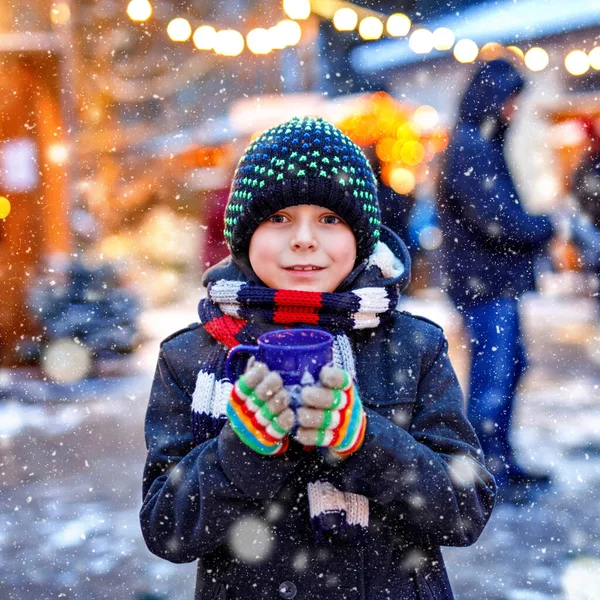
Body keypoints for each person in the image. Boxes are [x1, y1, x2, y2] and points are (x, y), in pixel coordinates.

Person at [140, 117, 495, 599]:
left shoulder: (412, 347)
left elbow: (466, 509)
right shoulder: (191, 357)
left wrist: (367, 442)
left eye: (330, 219)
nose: (304, 239)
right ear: (244, 236)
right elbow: (167, 529)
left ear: (362, 237)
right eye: (278, 218)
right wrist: (241, 450)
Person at [437, 60, 554, 496]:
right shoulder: (471, 146)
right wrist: (544, 226)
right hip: (482, 284)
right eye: (511, 99)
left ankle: (500, 460)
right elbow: (497, 220)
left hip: (491, 281)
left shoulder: (480, 143)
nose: (515, 109)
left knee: (508, 370)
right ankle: (487, 472)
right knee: (494, 378)